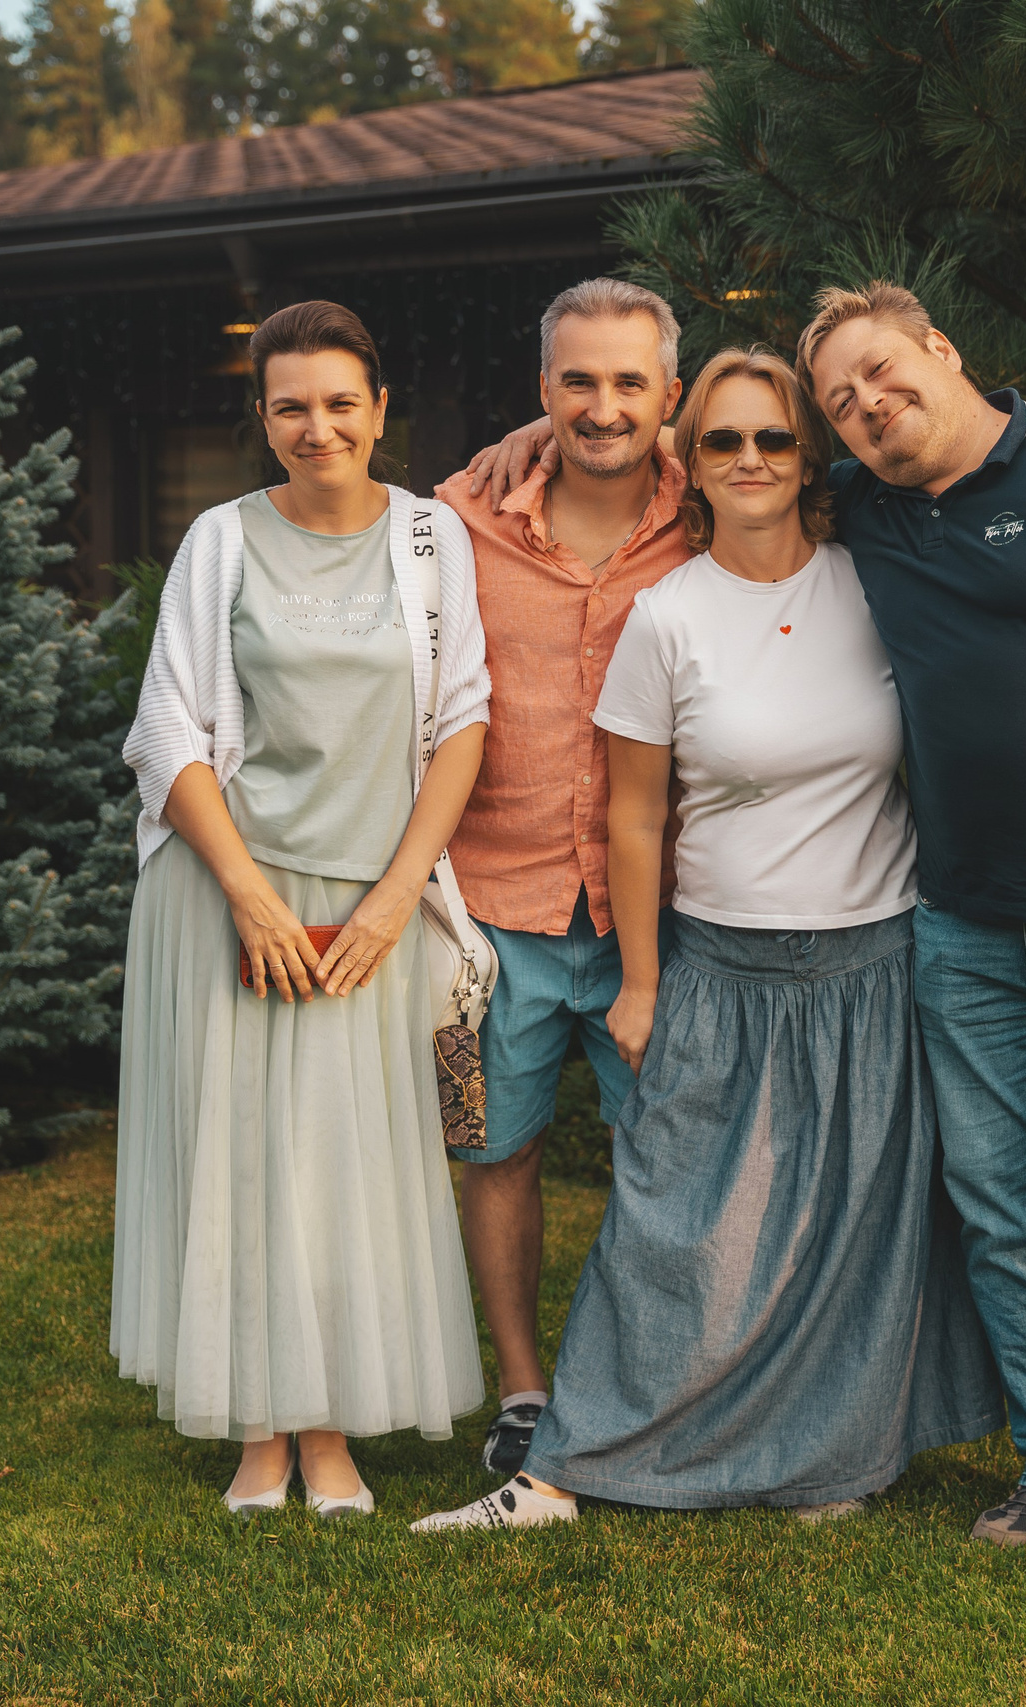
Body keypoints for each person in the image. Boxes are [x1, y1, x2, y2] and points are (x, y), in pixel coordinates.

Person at [459, 282, 1026, 1623]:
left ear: (939, 346)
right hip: (963, 930)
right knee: (1000, 1210)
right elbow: (649, 447)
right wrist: (530, 438)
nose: (860, 409)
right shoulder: (867, 515)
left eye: (873, 377)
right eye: (838, 403)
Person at [413, 347, 1003, 1534]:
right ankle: (560, 1468)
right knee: (677, 1233)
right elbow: (634, 811)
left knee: (853, 1230)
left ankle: (824, 1459)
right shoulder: (666, 610)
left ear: (808, 458)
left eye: (773, 440)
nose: (747, 461)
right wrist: (641, 979)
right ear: (698, 458)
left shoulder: (872, 579)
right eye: (725, 442)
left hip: (873, 959)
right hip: (721, 965)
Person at [111, 299, 491, 1518]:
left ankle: (330, 1437)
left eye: (340, 403)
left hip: (366, 906)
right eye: (290, 406)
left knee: (344, 1167)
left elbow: (464, 723)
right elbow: (167, 728)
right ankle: (259, 1436)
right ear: (261, 418)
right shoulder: (219, 543)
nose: (316, 427)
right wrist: (247, 898)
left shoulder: (435, 542)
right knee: (239, 1161)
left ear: (381, 410)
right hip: (227, 889)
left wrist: (394, 900)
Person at [431, 279, 693, 1477]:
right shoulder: (449, 524)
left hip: (667, 919)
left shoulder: (717, 518)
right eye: (577, 382)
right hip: (490, 915)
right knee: (491, 1152)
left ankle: (665, 1388)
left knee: (682, 1156)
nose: (602, 407)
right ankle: (525, 1391)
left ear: (668, 396)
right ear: (541, 394)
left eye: (629, 382)